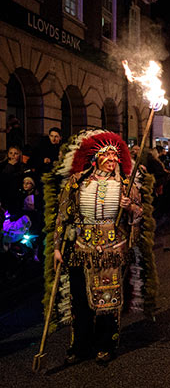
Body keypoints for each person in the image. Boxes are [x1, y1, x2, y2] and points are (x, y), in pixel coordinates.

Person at [48, 130, 156, 365]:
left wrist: (130, 209)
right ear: (96, 158)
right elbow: (62, 216)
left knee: (108, 301)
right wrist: (57, 247)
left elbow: (139, 216)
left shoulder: (126, 186)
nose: (112, 161)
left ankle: (106, 344)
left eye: (115, 158)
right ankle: (80, 346)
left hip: (112, 251)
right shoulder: (77, 182)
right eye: (106, 157)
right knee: (80, 301)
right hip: (80, 249)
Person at [0, 145, 25, 215]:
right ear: (8, 154)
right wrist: (10, 166)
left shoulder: (21, 167)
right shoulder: (2, 166)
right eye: (11, 153)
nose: (13, 155)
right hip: (4, 196)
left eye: (15, 153)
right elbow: (3, 179)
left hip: (16, 196)